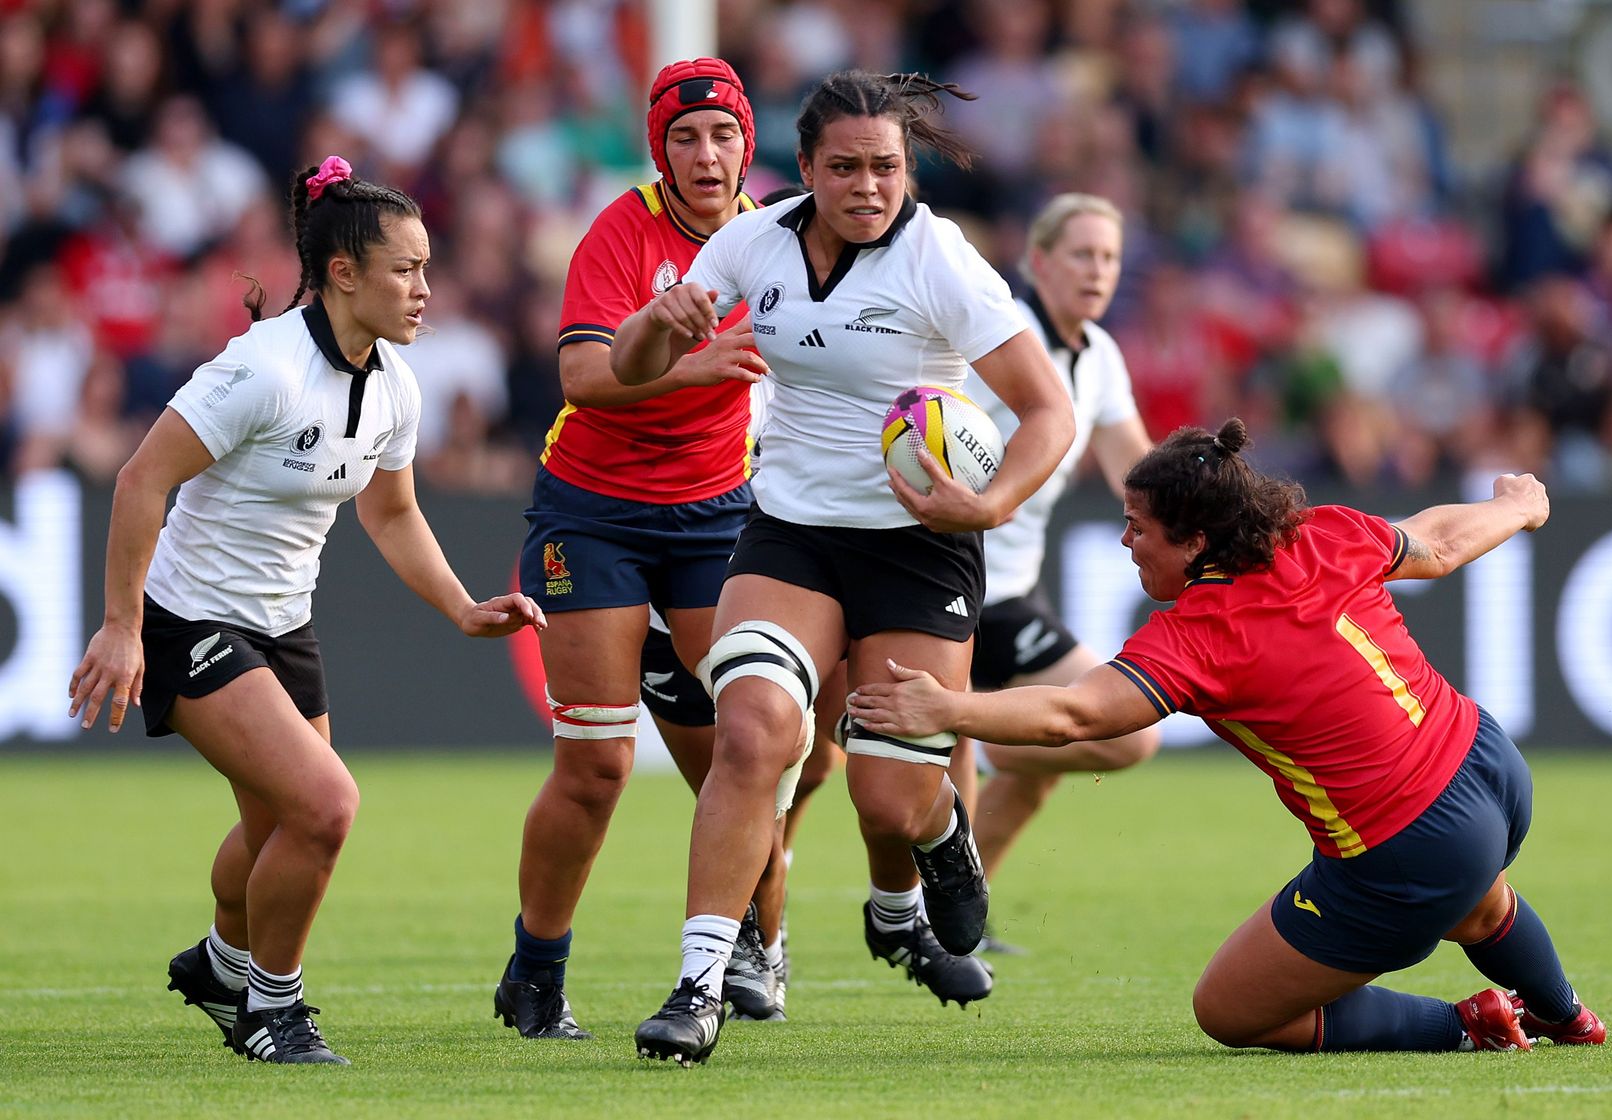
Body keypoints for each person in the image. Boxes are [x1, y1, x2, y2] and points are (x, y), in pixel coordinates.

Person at [849, 418, 1606, 1054]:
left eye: (1138, 528)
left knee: (1231, 1010)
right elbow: (1437, 545)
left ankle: (1466, 1026)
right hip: (1493, 768)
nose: (1124, 542)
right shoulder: (1318, 533)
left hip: (1411, 840)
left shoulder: (1199, 635)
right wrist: (1519, 506)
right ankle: (1566, 1013)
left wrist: (946, 709)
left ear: (1196, 541)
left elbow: (1074, 715)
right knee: (1470, 899)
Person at [612, 69, 1077, 1066]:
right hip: (791, 534)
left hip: (921, 545)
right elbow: (630, 369)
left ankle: (938, 832)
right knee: (752, 733)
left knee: (886, 802)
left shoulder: (940, 259)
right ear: (806, 169)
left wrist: (986, 503)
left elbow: (1050, 412)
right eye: (846, 167)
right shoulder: (753, 241)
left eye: (887, 167)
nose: (869, 187)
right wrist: (660, 323)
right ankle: (699, 984)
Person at [65, 157, 545, 1065]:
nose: (424, 288)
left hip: (284, 626)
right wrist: (122, 626)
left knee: (277, 825)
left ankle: (219, 965)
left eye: (428, 267)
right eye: (405, 269)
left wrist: (462, 608)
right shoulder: (261, 369)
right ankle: (269, 1011)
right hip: (190, 621)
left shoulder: (397, 382)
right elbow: (139, 481)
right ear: (343, 274)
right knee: (325, 808)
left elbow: (391, 511)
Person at [502, 58, 790, 1040]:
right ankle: (535, 969)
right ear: (659, 149)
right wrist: (693, 364)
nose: (705, 154)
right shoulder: (623, 231)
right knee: (597, 766)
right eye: (684, 137)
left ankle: (755, 952)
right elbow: (582, 375)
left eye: (721, 135)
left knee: (749, 746)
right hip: (594, 512)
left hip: (719, 516)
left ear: (748, 142)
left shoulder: (782, 239)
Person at [956, 194, 1158, 951]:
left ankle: (958, 922)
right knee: (1116, 735)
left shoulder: (1099, 356)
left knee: (1068, 753)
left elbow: (1138, 472)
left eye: (1108, 257)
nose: (1097, 270)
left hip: (1010, 592)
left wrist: (1222, 512)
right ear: (1038, 262)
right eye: (1081, 254)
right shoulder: (998, 338)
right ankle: (965, 739)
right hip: (954, 576)